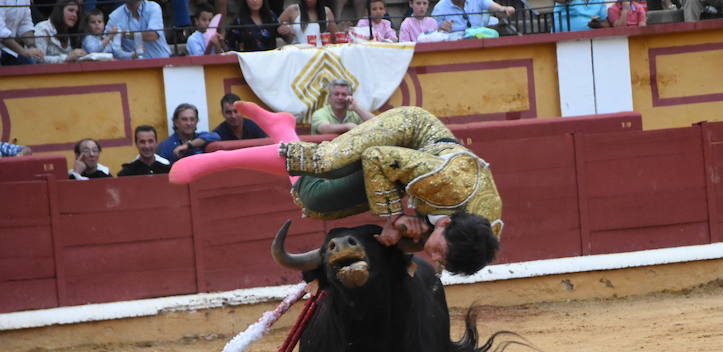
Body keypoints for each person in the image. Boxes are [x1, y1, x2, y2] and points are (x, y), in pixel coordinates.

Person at [169, 102, 503, 275]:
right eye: (440, 254)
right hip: (410, 134)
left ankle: (281, 126)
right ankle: (219, 159)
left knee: (315, 200)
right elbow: (377, 157)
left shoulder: (480, 240)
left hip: (415, 176)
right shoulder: (447, 182)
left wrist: (407, 233)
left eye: (442, 261)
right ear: (445, 223)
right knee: (327, 161)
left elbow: (436, 240)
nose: (435, 258)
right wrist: (394, 217)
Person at [157, 103, 221, 164]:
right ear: (176, 122)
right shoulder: (165, 146)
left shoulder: (202, 137)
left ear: (197, 121)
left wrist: (188, 145)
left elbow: (216, 136)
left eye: (192, 119)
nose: (189, 123)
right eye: (184, 119)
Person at [105, 0, 171, 59]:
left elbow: (153, 35)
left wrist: (127, 35)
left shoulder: (153, 7)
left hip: (162, 63)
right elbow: (106, 42)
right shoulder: (114, 16)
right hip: (133, 68)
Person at [310, 79, 375, 135]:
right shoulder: (320, 113)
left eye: (344, 94)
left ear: (350, 96)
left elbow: (377, 123)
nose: (340, 97)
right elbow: (323, 128)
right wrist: (347, 126)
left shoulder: (354, 113)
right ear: (330, 97)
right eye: (336, 94)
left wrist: (356, 108)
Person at [1, 0, 44, 66]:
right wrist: (23, 52)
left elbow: (25, 23)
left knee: (32, 68)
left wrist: (32, 46)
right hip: (6, 48)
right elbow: (1, 32)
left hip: (9, 50)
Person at [431, 0, 514, 33]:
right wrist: (441, 28)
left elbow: (494, 6)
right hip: (454, 45)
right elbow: (432, 32)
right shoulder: (439, 7)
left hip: (479, 40)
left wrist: (504, 9)